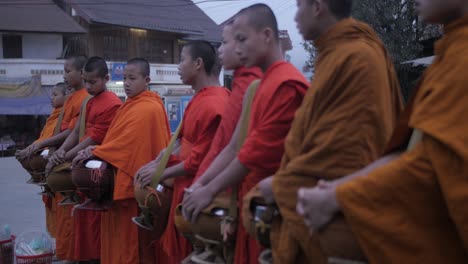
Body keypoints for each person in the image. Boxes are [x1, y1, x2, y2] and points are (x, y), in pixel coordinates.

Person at [296, 0, 468, 263]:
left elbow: (429, 165)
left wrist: (338, 195)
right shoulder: (452, 53)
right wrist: (337, 189)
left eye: (299, 6)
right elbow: (417, 150)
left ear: (318, 7)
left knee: (332, 231)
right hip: (361, 183)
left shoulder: (358, 57)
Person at [182, 4, 309, 263]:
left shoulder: (286, 84)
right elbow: (232, 147)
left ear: (266, 35)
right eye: (233, 40)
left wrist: (210, 189)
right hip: (248, 201)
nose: (236, 48)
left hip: (272, 206)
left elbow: (253, 153)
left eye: (242, 39)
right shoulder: (259, 86)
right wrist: (200, 185)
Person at [134, 40, 230, 264]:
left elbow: (200, 161)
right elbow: (179, 140)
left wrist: (160, 174)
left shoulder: (215, 104)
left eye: (181, 59)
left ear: (198, 63)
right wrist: (157, 162)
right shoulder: (200, 97)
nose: (177, 66)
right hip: (181, 183)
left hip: (196, 191)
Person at [73, 58, 171, 264]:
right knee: (118, 244)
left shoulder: (148, 108)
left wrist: (98, 150)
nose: (126, 83)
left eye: (132, 78)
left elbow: (130, 146)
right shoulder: (130, 105)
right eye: (124, 78)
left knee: (132, 247)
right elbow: (117, 140)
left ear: (147, 80)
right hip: (118, 180)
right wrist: (98, 149)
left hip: (134, 189)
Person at [48, 56, 122, 262]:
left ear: (106, 78)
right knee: (81, 218)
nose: (88, 86)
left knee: (95, 222)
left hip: (98, 164)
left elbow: (95, 137)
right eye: (86, 81)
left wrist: (69, 156)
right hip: (81, 157)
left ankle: (96, 257)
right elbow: (76, 131)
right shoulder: (88, 101)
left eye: (93, 82)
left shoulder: (113, 103)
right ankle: (82, 255)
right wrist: (60, 152)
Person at [16, 82, 67, 239]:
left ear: (67, 97)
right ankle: (57, 243)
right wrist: (29, 149)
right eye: (51, 94)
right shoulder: (53, 116)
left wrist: (38, 147)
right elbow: (43, 138)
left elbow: (55, 139)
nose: (51, 98)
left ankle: (62, 245)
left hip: (58, 164)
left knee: (62, 210)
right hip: (47, 169)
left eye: (55, 94)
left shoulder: (66, 115)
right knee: (52, 207)